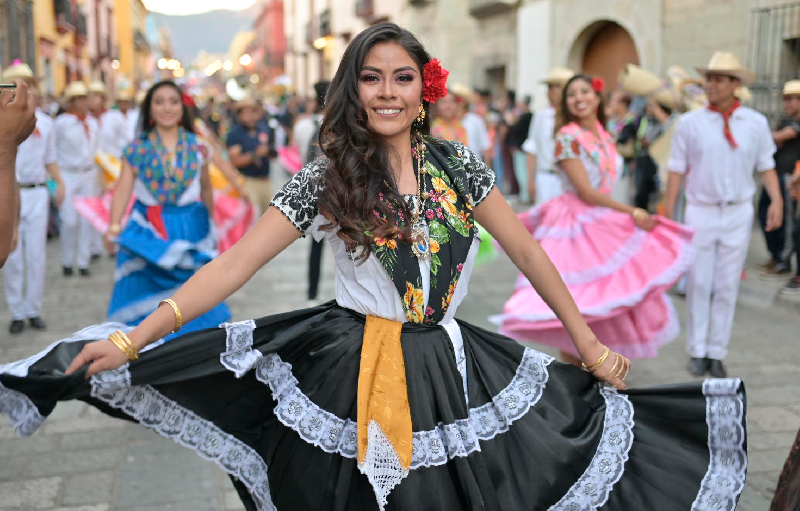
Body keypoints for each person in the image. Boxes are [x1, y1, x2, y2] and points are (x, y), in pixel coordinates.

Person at [1, 24, 745, 511]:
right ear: (354, 90)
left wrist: (586, 342)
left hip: (454, 365)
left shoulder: (458, 165)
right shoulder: (330, 174)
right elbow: (233, 265)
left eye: (401, 78)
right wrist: (135, 339)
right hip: (353, 364)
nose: (387, 92)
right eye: (371, 78)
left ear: (424, 89)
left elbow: (526, 250)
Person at [493, 73, 695, 366]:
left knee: (610, 296)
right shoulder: (567, 137)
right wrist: (632, 211)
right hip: (574, 224)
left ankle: (598, 376)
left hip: (603, 219)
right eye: (572, 94)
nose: (579, 98)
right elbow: (586, 192)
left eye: (585, 91)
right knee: (576, 302)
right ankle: (577, 383)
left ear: (597, 97)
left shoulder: (603, 132)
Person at [664, 51, 783, 378]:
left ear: (735, 84)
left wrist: (776, 201)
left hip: (737, 212)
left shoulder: (755, 123)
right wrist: (668, 218)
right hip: (700, 210)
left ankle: (717, 351)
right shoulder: (690, 123)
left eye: (718, 79)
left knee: (727, 284)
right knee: (699, 282)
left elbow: (766, 166)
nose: (710, 84)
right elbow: (676, 171)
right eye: (709, 78)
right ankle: (697, 349)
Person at [103, 80, 231, 336]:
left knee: (195, 291)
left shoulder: (197, 146)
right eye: (159, 102)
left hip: (191, 226)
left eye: (173, 102)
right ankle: (147, 345)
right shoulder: (136, 148)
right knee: (144, 294)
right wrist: (114, 225)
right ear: (149, 109)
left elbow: (205, 187)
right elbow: (123, 188)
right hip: (151, 229)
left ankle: (192, 349)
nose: (167, 108)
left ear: (183, 108)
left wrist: (212, 222)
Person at [1, 63, 65, 334]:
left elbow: (50, 158)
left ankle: (33, 308)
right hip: (10, 191)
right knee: (12, 255)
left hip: (37, 191)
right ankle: (16, 311)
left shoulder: (46, 123)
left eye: (27, 83)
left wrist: (58, 183)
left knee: (36, 254)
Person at [54, 81, 100, 277]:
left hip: (88, 173)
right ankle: (66, 260)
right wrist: (56, 180)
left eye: (85, 97)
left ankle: (83, 261)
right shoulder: (61, 123)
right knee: (69, 220)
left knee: (88, 219)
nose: (84, 102)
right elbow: (52, 151)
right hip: (68, 173)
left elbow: (97, 151)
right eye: (79, 98)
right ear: (71, 101)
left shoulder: (93, 123)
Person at [758, 79, 800, 281]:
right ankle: (775, 256)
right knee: (765, 214)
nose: (787, 104)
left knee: (786, 223)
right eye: (786, 100)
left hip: (789, 177)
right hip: (775, 174)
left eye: (791, 100)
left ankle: (783, 261)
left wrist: (761, 134)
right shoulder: (785, 120)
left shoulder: (796, 123)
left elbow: (781, 137)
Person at [292, 80, 330, 301]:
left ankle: (312, 291)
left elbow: (298, 155)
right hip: (337, 193)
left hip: (310, 192)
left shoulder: (302, 126)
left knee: (315, 246)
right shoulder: (344, 125)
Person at [522, 67, 574, 204]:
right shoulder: (541, 116)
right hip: (545, 176)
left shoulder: (575, 117)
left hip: (569, 179)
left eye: (554, 87)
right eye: (549, 87)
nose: (549, 92)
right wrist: (530, 181)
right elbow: (532, 148)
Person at [226, 97, 276, 216]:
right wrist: (254, 155)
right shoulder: (235, 134)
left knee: (268, 217)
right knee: (253, 218)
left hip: (265, 180)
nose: (251, 116)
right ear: (239, 115)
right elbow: (235, 161)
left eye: (254, 112)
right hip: (248, 182)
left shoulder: (263, 129)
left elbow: (271, 153)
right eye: (247, 113)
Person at [631, 98, 676, 210]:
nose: (650, 109)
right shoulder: (647, 120)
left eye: (654, 107)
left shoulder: (672, 124)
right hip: (648, 162)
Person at [451, 84, 490, 162]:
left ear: (465, 102)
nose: (456, 103)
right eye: (453, 100)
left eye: (458, 99)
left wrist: (488, 171)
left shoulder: (476, 120)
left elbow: (485, 147)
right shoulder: (443, 123)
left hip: (473, 167)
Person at [507, 95, 533, 202]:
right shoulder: (527, 116)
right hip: (521, 147)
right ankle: (524, 193)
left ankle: (525, 194)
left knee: (522, 172)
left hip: (521, 148)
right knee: (522, 172)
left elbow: (517, 131)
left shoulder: (525, 117)